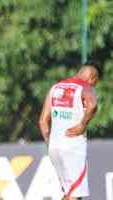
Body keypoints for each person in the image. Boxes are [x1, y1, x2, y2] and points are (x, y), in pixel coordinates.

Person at [38, 62, 99, 200]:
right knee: (75, 195)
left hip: (54, 147)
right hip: (73, 148)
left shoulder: (55, 87)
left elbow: (42, 121)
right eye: (95, 82)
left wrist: (50, 141)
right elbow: (93, 105)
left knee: (70, 192)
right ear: (92, 77)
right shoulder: (85, 87)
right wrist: (82, 124)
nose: (94, 86)